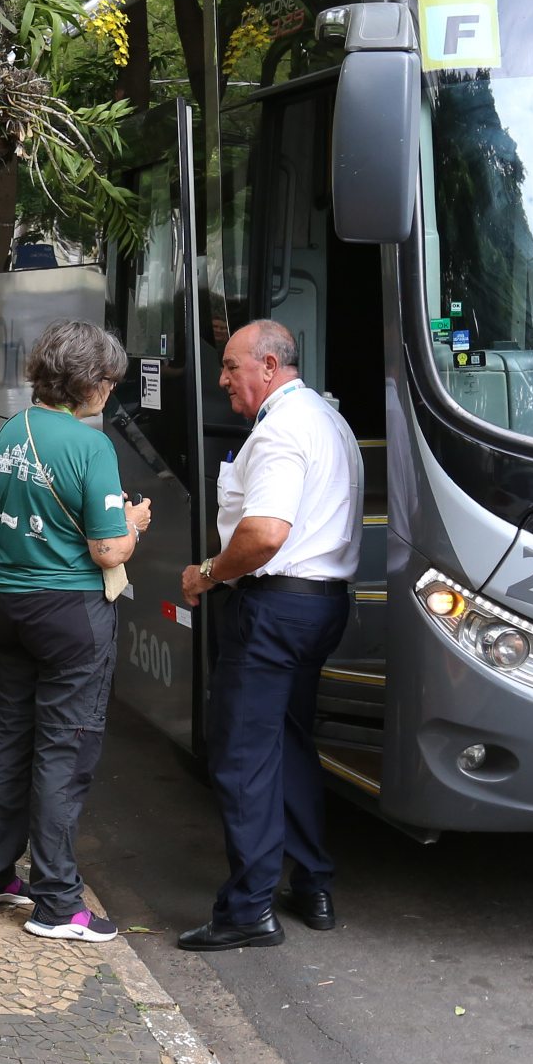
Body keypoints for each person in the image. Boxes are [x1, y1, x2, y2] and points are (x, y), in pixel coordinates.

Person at [176, 320, 364, 951]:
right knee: (287, 743)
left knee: (241, 758)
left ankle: (249, 909)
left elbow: (265, 535)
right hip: (321, 607)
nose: (223, 379)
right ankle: (312, 883)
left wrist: (207, 574)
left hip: (273, 611)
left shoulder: (283, 428)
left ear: (269, 364)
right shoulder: (327, 418)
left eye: (231, 366)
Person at [0, 320, 150, 943]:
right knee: (64, 751)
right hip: (70, 614)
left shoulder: (8, 431)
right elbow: (105, 550)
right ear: (91, 384)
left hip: (7, 605)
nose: (112, 391)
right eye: (111, 381)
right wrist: (134, 522)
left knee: (11, 737)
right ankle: (57, 902)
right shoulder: (90, 446)